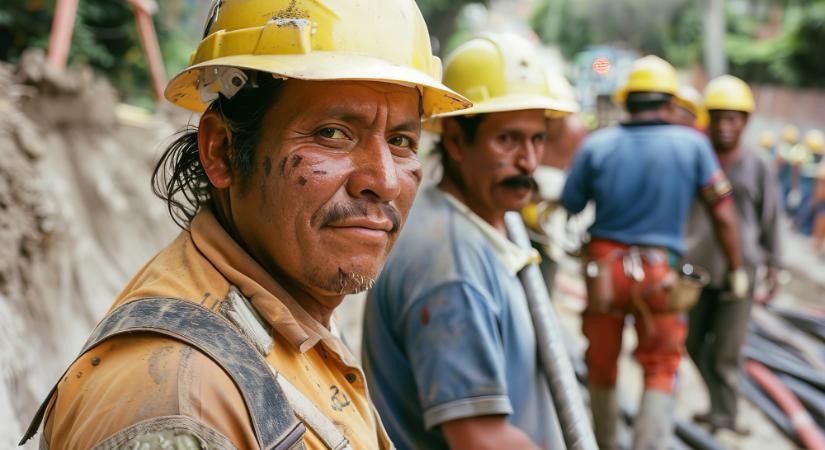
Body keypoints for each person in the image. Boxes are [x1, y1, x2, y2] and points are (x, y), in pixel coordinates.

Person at [21, 1, 471, 448]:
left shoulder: (288, 321)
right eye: (332, 133)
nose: (385, 182)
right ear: (221, 151)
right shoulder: (182, 401)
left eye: (400, 141)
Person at [362, 33, 575, 450]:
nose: (529, 161)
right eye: (508, 139)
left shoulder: (478, 222)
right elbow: (482, 439)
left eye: (537, 139)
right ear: (457, 141)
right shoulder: (450, 270)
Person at [560, 55, 746, 450]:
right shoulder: (694, 146)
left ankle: (603, 443)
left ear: (628, 101)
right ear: (670, 102)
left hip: (605, 271)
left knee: (601, 362)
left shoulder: (598, 144)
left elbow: (570, 204)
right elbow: (724, 215)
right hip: (661, 273)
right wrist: (736, 269)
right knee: (661, 366)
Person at [684, 74, 782, 434]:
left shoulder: (756, 167)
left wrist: (774, 265)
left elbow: (771, 218)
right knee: (693, 342)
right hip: (699, 267)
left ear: (745, 122)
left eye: (733, 118)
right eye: (719, 117)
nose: (725, 126)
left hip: (741, 272)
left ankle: (725, 415)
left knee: (725, 350)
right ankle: (717, 405)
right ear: (707, 118)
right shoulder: (697, 159)